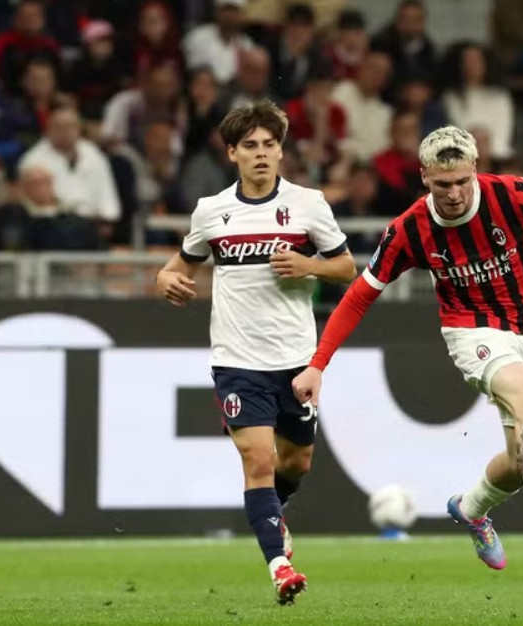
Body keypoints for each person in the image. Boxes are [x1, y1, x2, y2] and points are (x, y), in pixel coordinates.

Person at [292, 126, 523, 568]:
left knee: (522, 456)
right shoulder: (409, 230)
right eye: (443, 185)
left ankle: (470, 509)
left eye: (462, 181)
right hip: (471, 330)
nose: (455, 193)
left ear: (475, 169)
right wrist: (317, 364)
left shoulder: (510, 195)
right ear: (424, 176)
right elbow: (360, 295)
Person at [155, 100, 356, 603]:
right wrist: (165, 279)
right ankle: (280, 567)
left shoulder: (308, 204)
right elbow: (179, 265)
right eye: (250, 146)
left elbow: (346, 268)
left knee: (297, 462)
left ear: (281, 151)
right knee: (258, 459)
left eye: (270, 145)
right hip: (237, 361)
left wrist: (309, 266)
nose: (261, 153)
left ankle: (272, 513)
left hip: (297, 360)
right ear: (232, 153)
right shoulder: (212, 211)